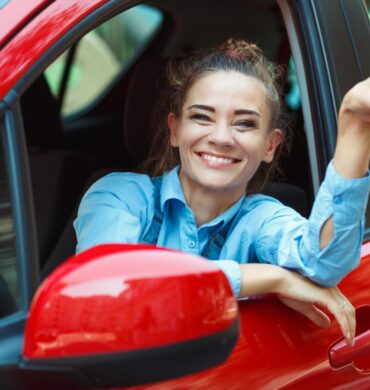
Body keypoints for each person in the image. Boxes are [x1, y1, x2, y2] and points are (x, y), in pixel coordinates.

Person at [74, 39, 370, 346]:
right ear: (175, 130)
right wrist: (272, 278)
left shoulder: (262, 217)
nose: (221, 137)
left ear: (270, 145)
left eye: (244, 123)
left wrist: (355, 126)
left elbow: (324, 263)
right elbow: (106, 290)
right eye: (202, 117)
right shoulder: (117, 195)